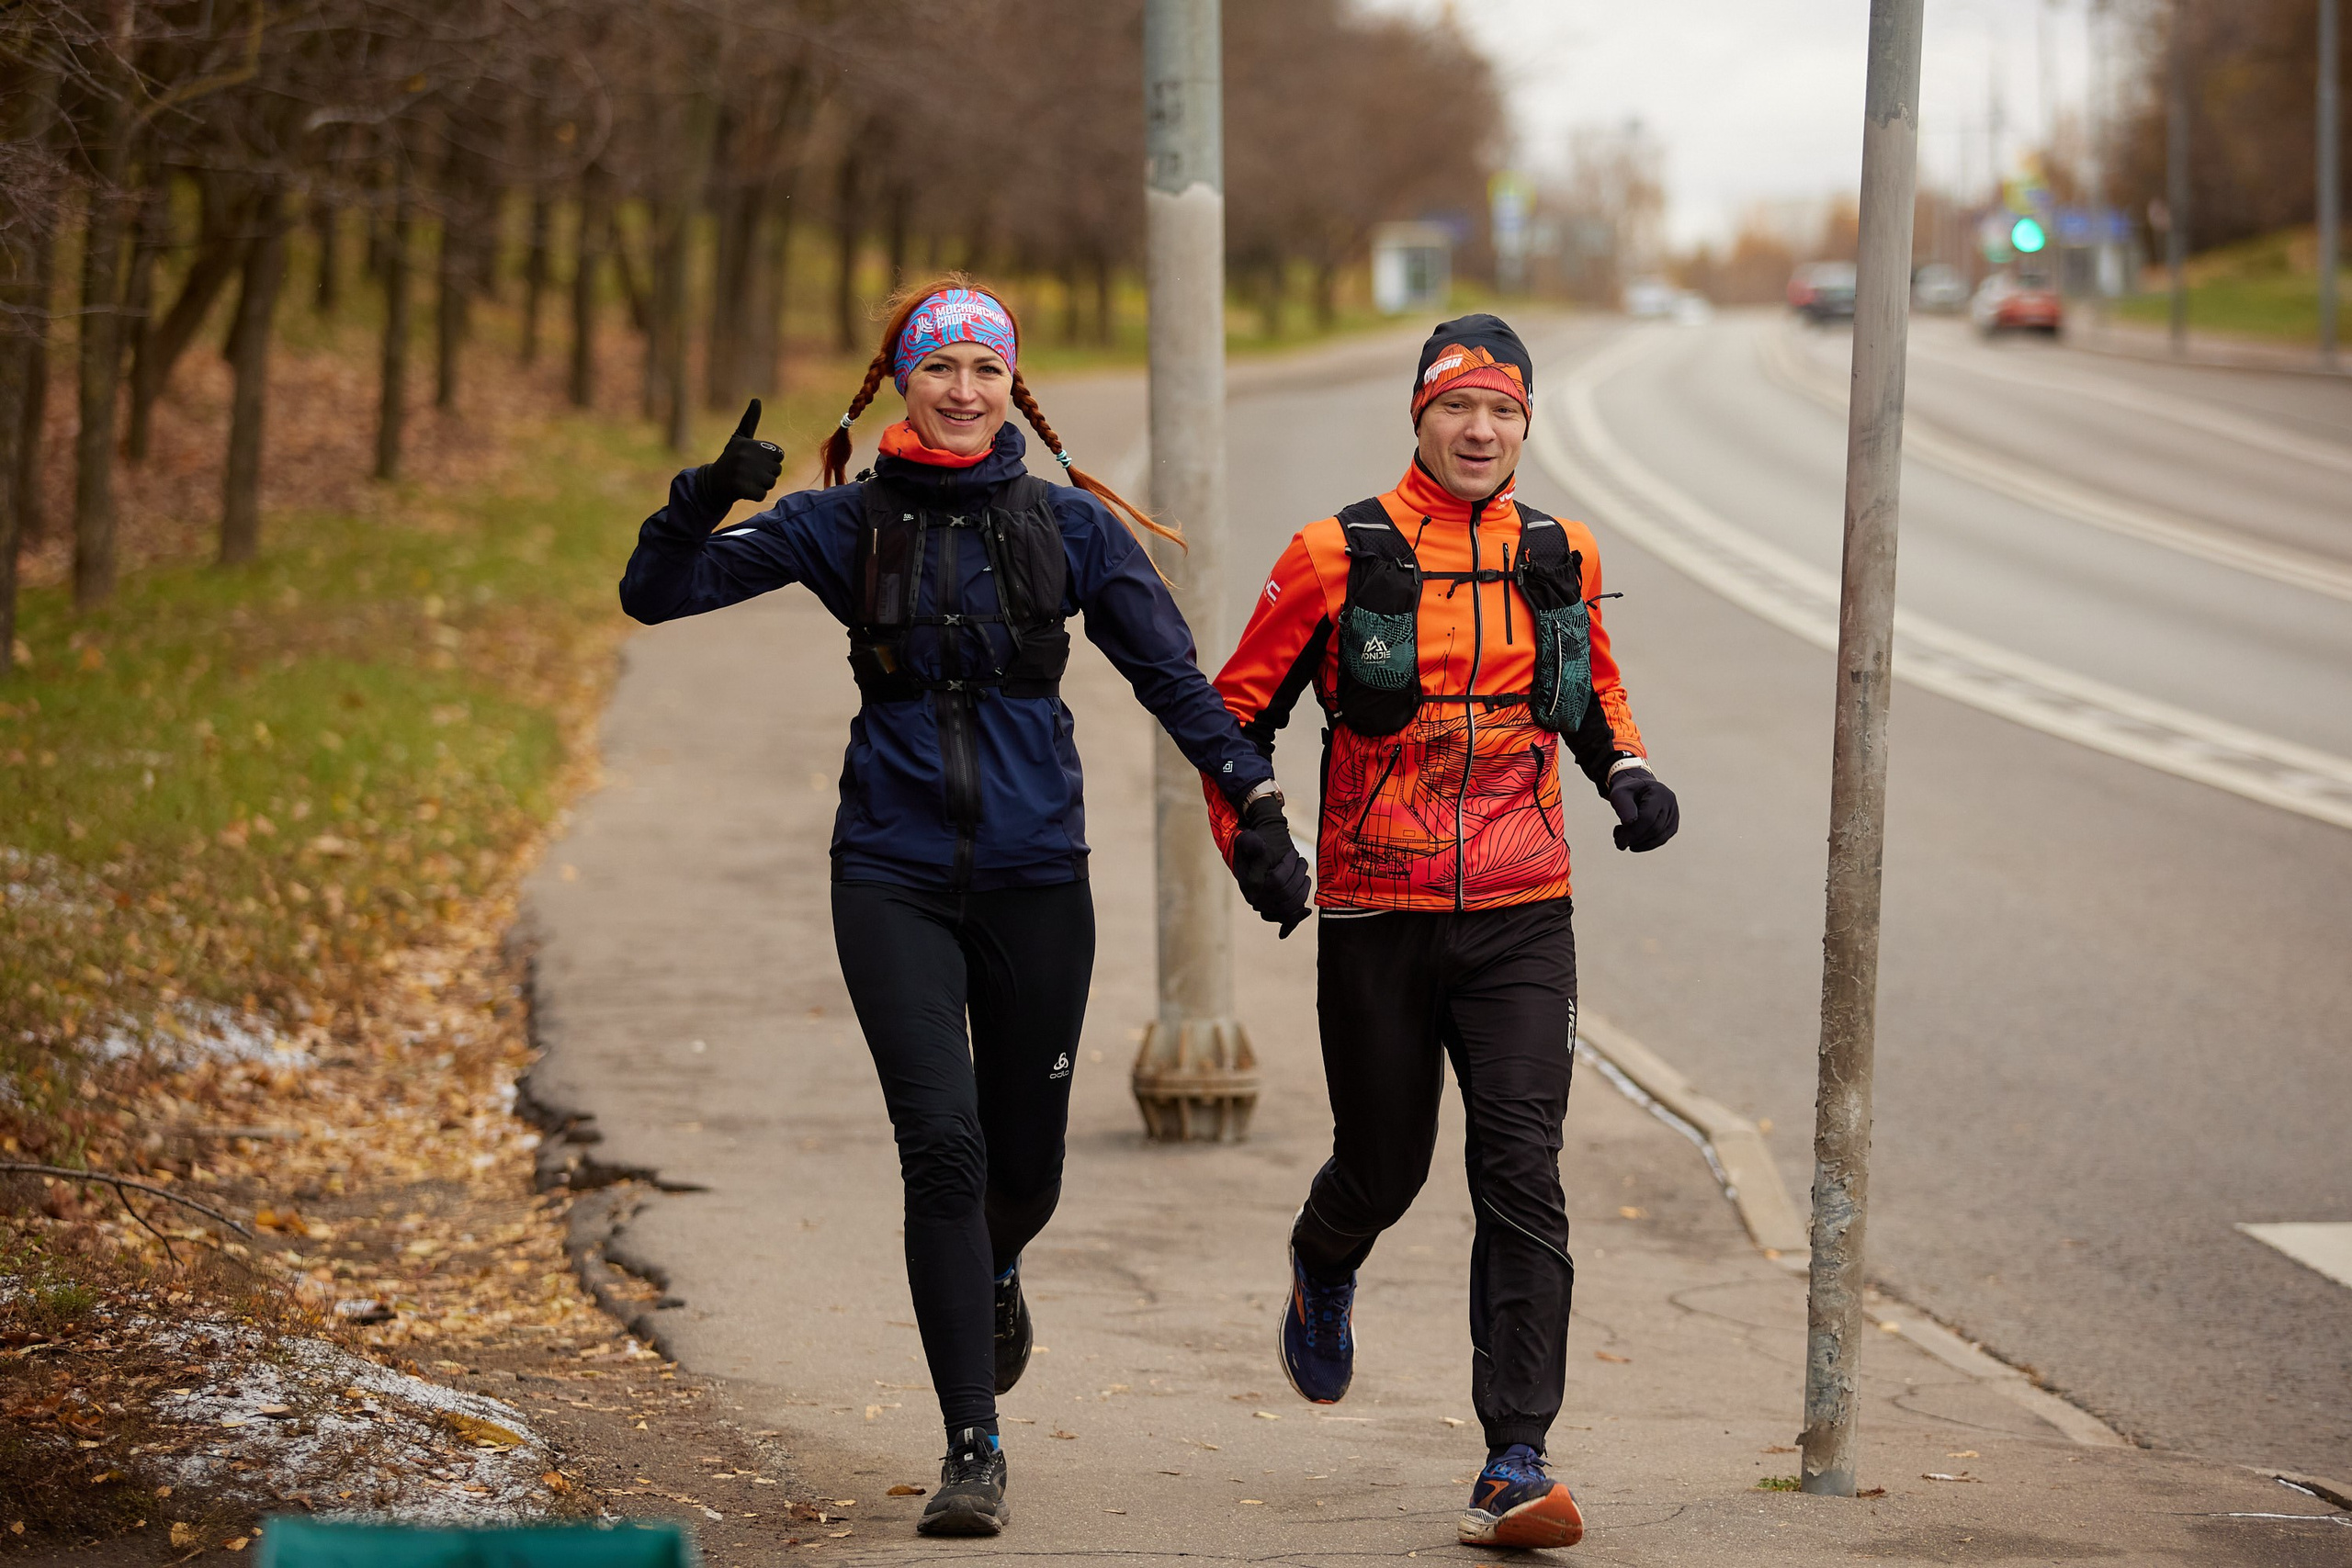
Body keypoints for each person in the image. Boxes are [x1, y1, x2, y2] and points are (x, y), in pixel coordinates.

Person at [618, 277, 1311, 1537]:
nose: (963, 389)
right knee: (942, 1147)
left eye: (986, 369)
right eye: (939, 366)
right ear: (903, 381)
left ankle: (998, 1266)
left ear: (1012, 388)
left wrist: (1254, 803)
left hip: (1037, 878)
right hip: (890, 874)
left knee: (1024, 1171)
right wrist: (702, 498)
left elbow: (1176, 682)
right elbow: (655, 594)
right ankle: (972, 1444)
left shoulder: (1070, 527)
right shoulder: (841, 523)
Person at [1202, 314, 1679, 1551]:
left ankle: (1515, 1457)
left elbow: (1592, 685)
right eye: (1457, 407)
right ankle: (1325, 1258)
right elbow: (1232, 718)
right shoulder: (1333, 552)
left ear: (1525, 424)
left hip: (1524, 913)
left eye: (1502, 411)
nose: (1480, 430)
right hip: (1378, 913)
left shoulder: (1558, 549)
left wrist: (1627, 771)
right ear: (1419, 416)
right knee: (1386, 1167)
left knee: (1521, 1169)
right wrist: (1256, 837)